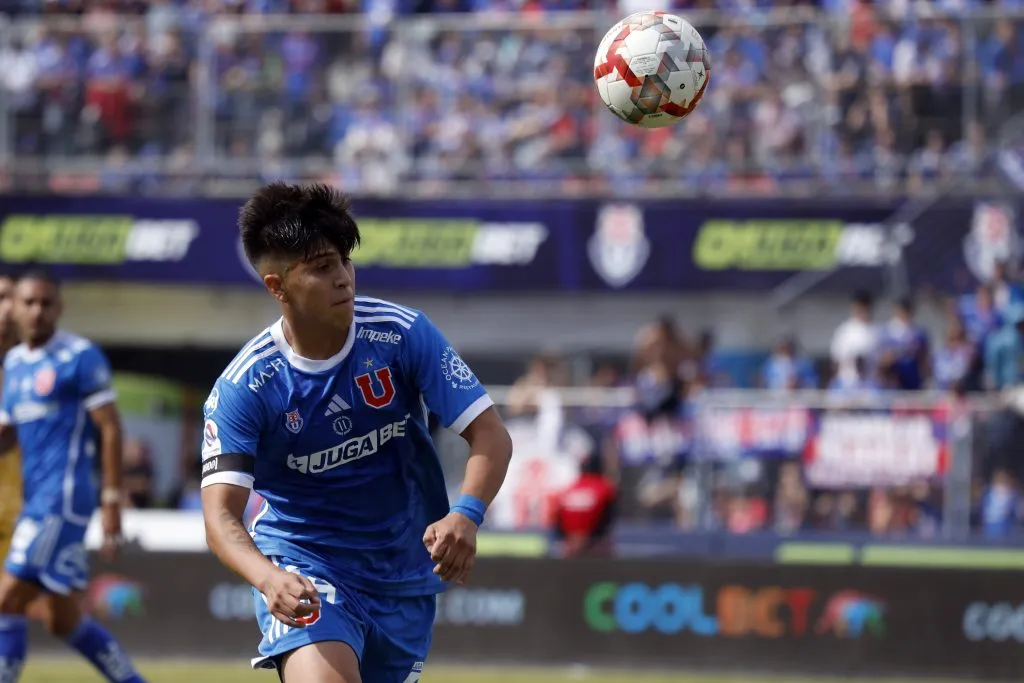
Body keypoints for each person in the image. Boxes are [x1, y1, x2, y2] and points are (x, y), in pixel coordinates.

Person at [200, 183, 513, 683]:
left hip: (404, 575)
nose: (344, 278)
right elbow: (220, 518)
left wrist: (466, 514)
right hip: (306, 566)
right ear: (277, 287)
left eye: (345, 261)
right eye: (322, 268)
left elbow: (491, 434)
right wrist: (268, 578)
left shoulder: (402, 334)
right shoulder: (246, 386)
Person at [0, 270, 146, 683]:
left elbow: (111, 427)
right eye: (29, 303)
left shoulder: (79, 357)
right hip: (39, 499)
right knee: (61, 619)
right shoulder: (14, 364)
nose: (37, 311)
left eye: (46, 303)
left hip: (61, 500)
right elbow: (9, 434)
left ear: (59, 308)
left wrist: (112, 499)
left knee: (6, 599)